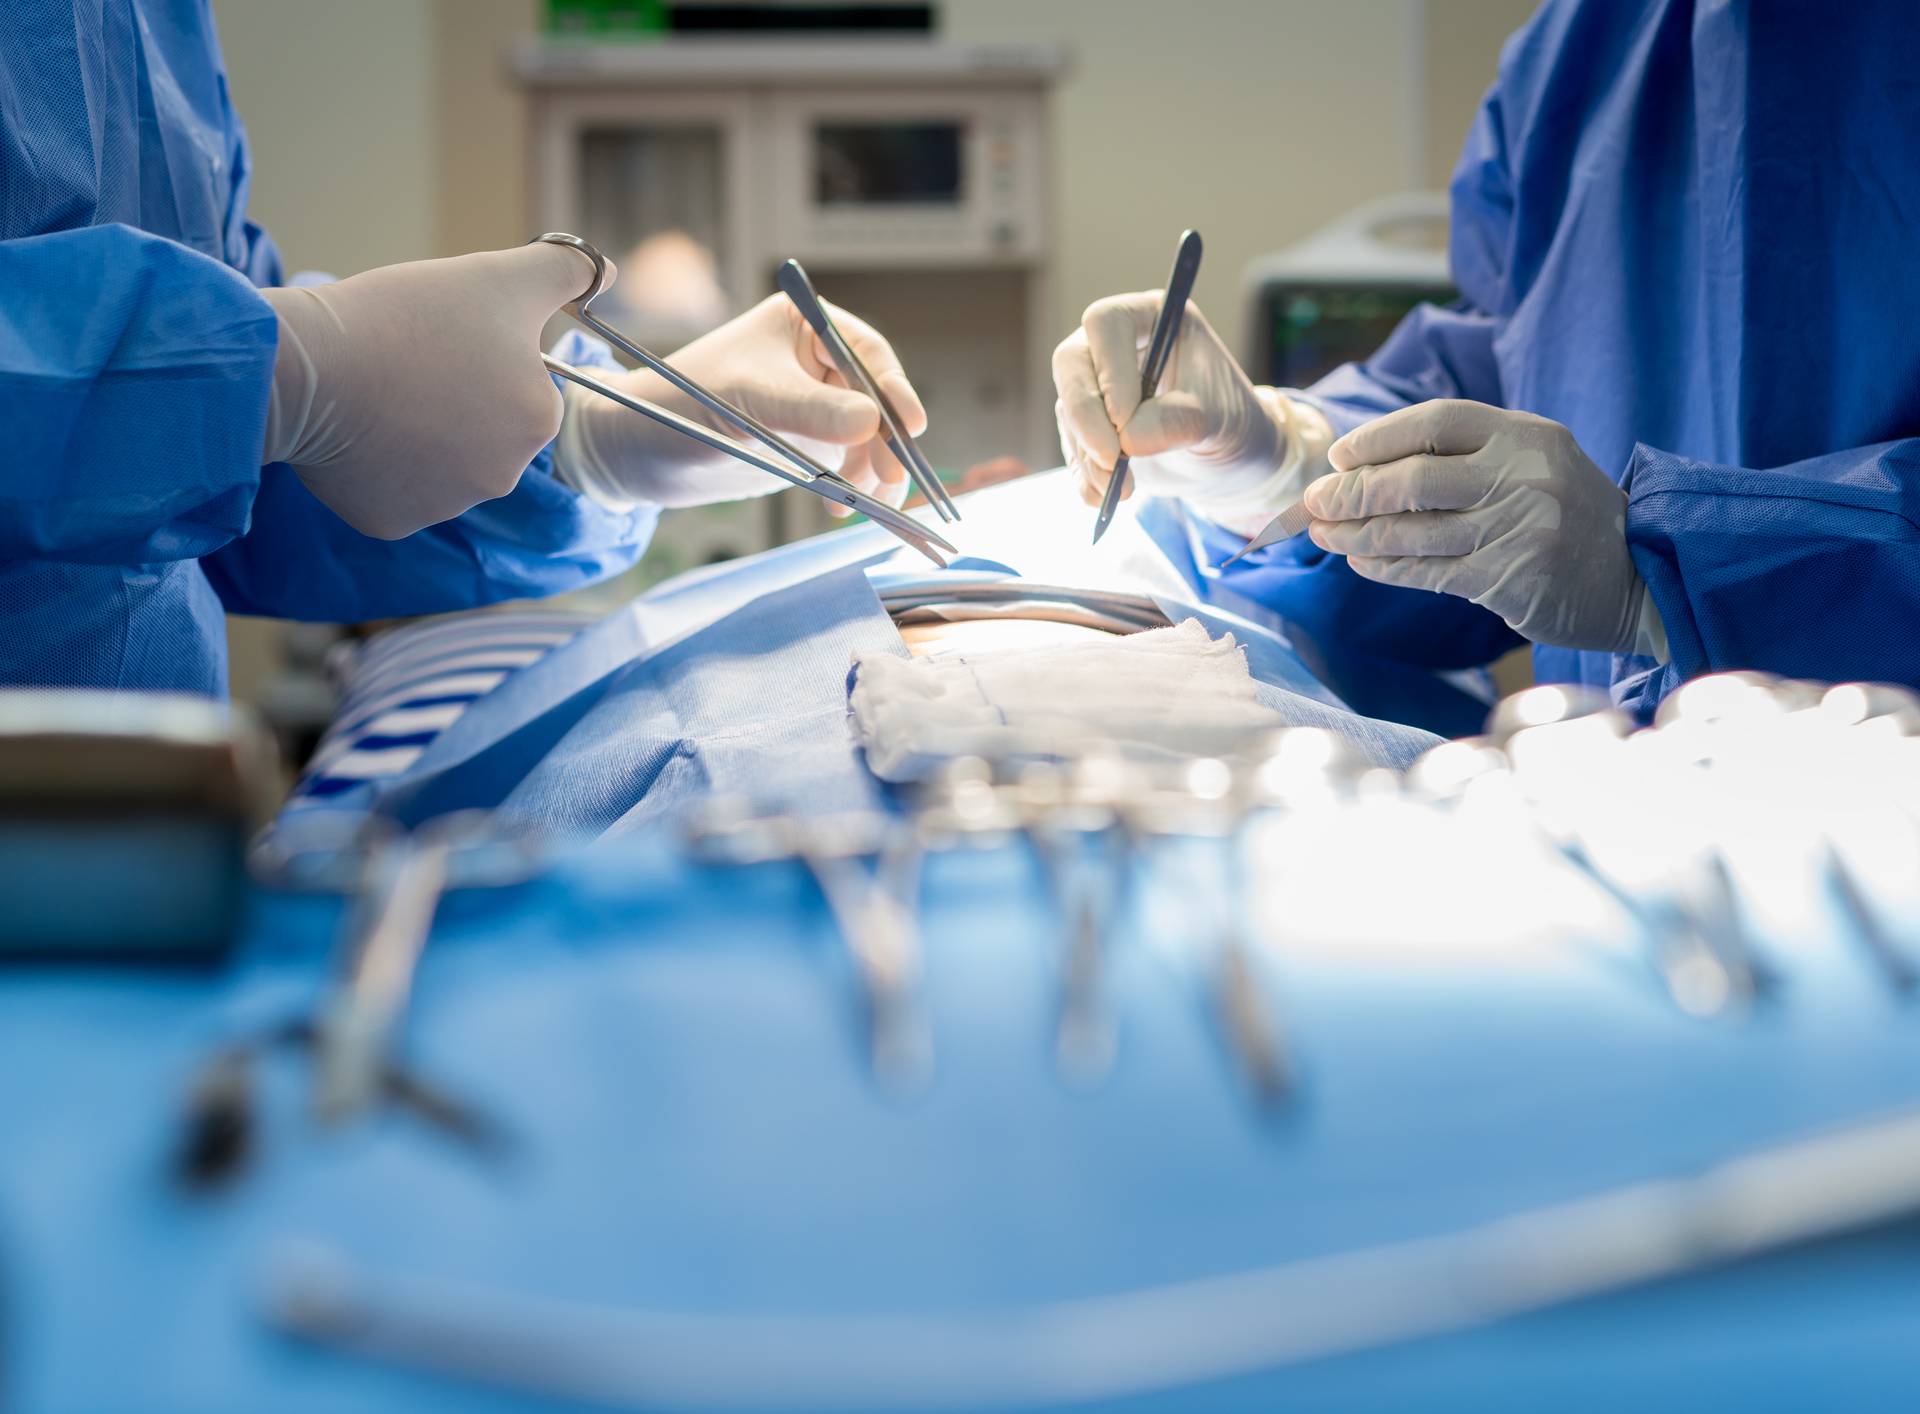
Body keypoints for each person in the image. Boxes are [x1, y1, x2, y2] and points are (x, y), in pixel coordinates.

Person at [0, 0, 925, 697]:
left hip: (127, 837)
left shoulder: (151, 25)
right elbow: (228, 387)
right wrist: (287, 372)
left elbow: (209, 483)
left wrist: (592, 443)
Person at [1053, 0, 1920, 726]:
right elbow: (1520, 370)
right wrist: (1283, 453)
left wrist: (1675, 575)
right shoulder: (1582, 46)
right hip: (1623, 811)